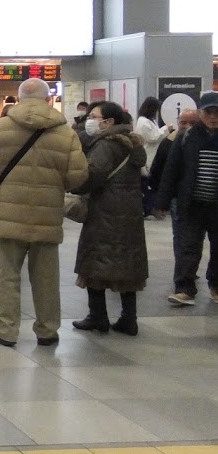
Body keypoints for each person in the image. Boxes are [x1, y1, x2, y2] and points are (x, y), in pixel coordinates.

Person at [0, 79, 87, 346]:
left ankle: (6, 330)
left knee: (7, 274)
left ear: (18, 99)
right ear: (47, 100)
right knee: (46, 277)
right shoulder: (65, 133)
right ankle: (47, 330)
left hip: (8, 214)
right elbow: (78, 178)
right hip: (47, 215)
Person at [71, 101, 148, 334]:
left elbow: (93, 174)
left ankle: (97, 316)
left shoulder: (105, 144)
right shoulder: (132, 145)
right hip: (130, 211)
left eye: (95, 117)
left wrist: (75, 185)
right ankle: (129, 318)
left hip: (105, 210)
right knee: (127, 263)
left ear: (109, 122)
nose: (90, 121)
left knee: (95, 261)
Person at [154, 91, 218, 306]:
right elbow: (171, 170)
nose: (213, 117)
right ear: (201, 113)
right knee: (187, 247)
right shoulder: (187, 137)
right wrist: (162, 202)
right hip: (191, 204)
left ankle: (216, 286)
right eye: (209, 112)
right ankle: (184, 289)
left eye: (217, 113)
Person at [134, 96, 170, 217]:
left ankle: (152, 208)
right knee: (146, 185)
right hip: (148, 156)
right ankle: (148, 208)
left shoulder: (150, 121)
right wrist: (166, 129)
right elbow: (153, 137)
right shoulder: (143, 122)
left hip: (154, 155)